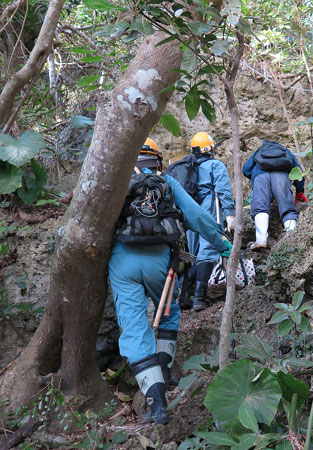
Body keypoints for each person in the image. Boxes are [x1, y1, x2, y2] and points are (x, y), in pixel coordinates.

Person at [108, 137, 232, 425]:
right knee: (168, 312)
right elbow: (197, 217)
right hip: (162, 263)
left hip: (122, 262)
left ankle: (157, 404)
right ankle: (164, 374)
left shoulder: (115, 184)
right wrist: (222, 242)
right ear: (156, 159)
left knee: (134, 327)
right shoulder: (165, 183)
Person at [185, 132, 235, 312]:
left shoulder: (188, 168)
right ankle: (199, 297)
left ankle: (185, 294)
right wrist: (230, 214)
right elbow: (223, 190)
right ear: (210, 149)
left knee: (195, 252)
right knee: (208, 248)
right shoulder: (216, 165)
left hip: (189, 211)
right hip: (208, 208)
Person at [242, 140, 307, 250]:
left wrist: (254, 178)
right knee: (288, 208)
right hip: (281, 177)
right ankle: (291, 238)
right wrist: (300, 191)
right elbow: (298, 172)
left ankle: (260, 240)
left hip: (260, 177)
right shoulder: (285, 151)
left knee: (260, 207)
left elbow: (246, 169)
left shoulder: (259, 151)